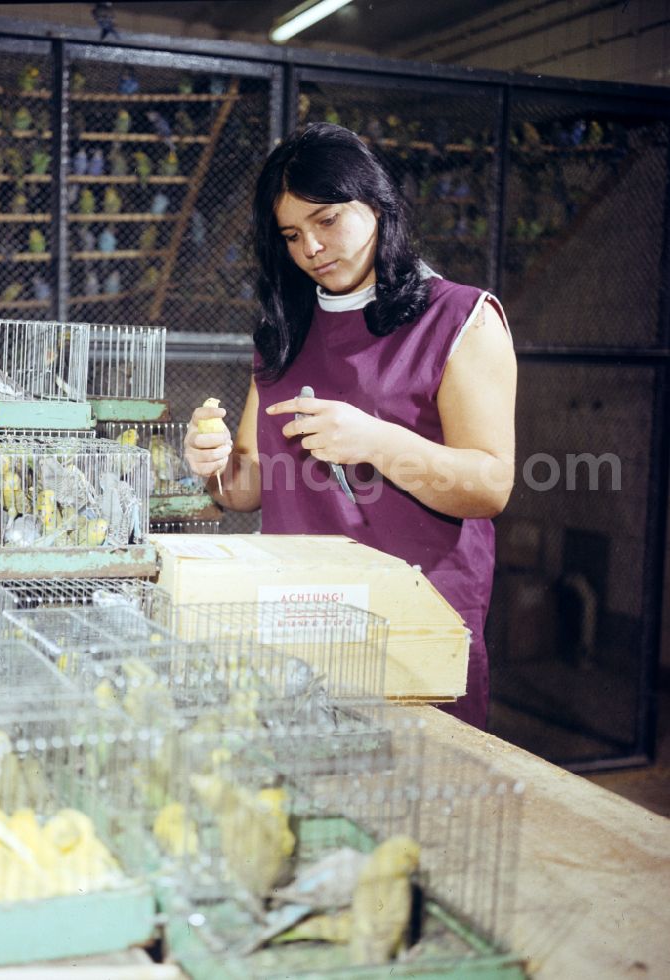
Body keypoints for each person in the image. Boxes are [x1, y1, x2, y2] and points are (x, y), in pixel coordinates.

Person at [183, 123, 517, 729]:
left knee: (419, 805)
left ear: (379, 205)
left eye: (328, 220)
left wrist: (378, 442)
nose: (311, 246)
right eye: (292, 234)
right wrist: (213, 464)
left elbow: (489, 484)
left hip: (413, 623)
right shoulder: (282, 331)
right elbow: (248, 488)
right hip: (298, 622)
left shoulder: (461, 317)